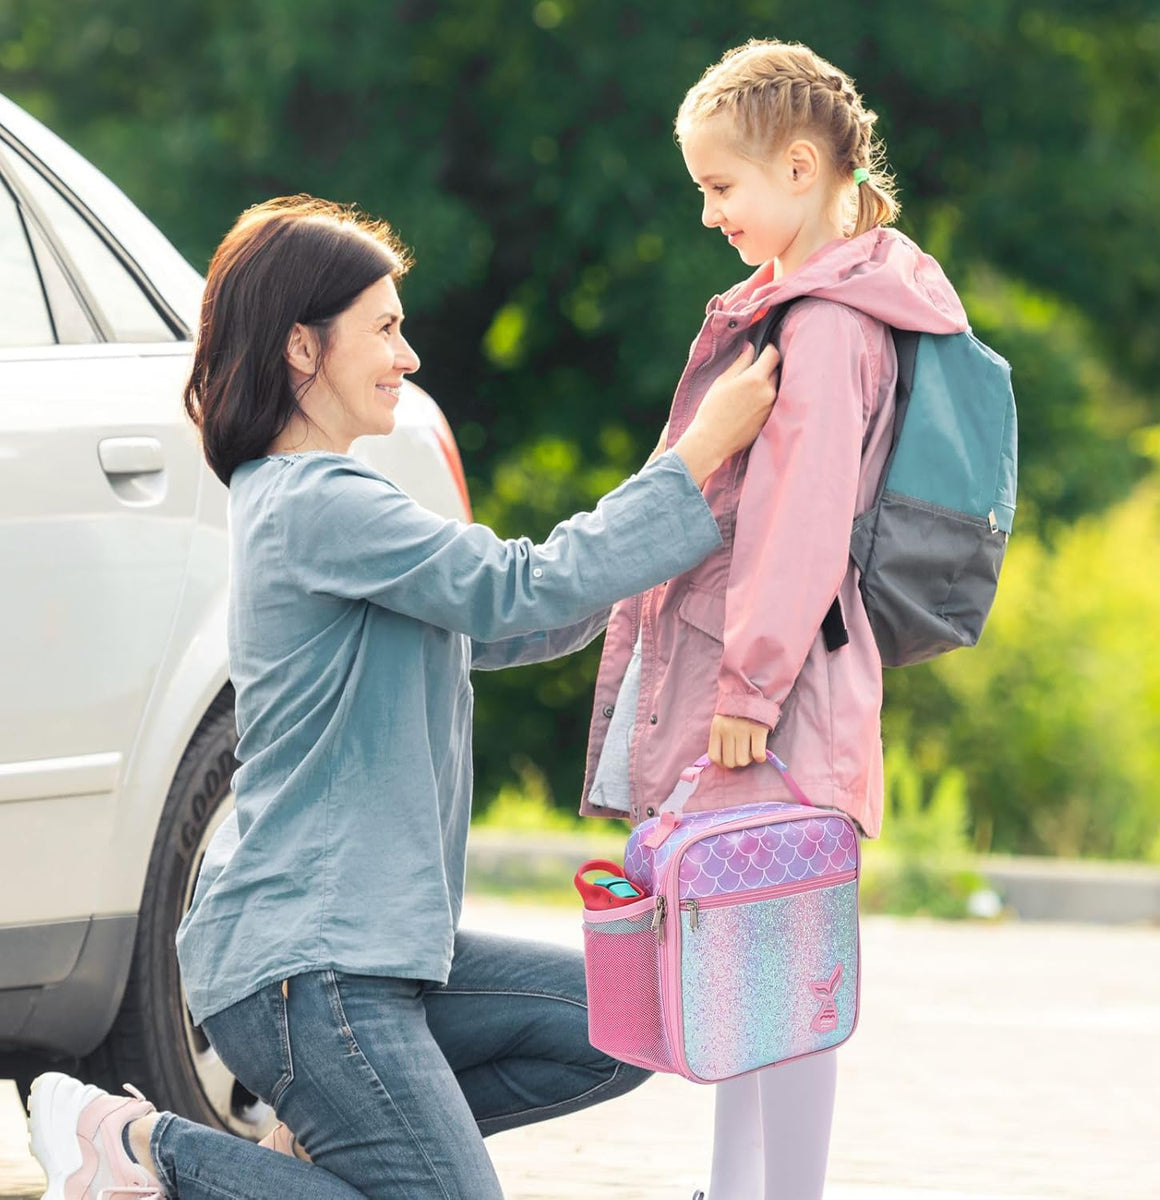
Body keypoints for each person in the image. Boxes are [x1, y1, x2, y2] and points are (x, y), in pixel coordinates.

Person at [27, 194, 780, 1200]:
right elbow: (525, 584)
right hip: (309, 966)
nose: (408, 355)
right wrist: (697, 457)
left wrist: (690, 505)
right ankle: (138, 1148)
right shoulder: (315, 503)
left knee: (623, 1024)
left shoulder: (333, 503)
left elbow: (524, 620)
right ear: (303, 346)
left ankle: (339, 1151)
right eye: (385, 329)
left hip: (378, 949)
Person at [578, 39, 971, 1200]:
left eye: (720, 188)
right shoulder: (814, 304)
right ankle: (735, 1188)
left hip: (776, 697)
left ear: (800, 168)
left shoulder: (828, 323)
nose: (709, 215)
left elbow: (798, 525)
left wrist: (747, 690)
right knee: (742, 954)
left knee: (781, 967)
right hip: (785, 686)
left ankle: (776, 1192)